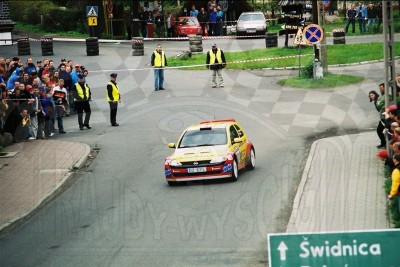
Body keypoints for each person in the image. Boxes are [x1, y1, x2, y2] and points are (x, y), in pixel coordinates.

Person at [369, 84, 387, 148]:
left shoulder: (379, 99)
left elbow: (379, 109)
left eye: (372, 95)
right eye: (370, 96)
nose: (371, 97)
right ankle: (384, 143)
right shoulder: (379, 98)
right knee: (381, 130)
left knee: (379, 130)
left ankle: (384, 143)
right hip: (383, 117)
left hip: (384, 117)